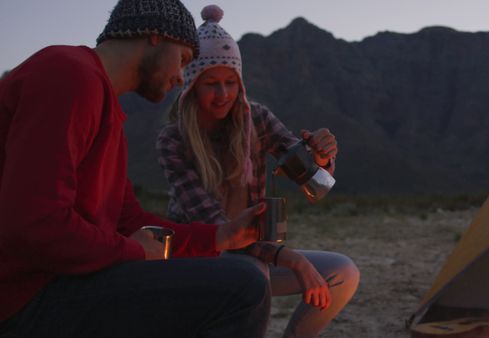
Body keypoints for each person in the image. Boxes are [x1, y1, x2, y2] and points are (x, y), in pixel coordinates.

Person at [0, 1, 272, 337]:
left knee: (237, 271)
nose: (180, 77)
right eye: (184, 60)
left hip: (61, 281)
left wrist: (221, 236)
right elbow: (35, 224)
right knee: (243, 288)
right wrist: (132, 250)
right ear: (156, 36)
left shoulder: (105, 110)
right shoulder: (68, 74)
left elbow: (127, 219)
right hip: (26, 297)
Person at [156, 5, 360, 338]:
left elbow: (307, 173)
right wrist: (289, 258)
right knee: (253, 275)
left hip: (255, 252)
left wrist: (319, 158)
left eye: (230, 83)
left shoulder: (257, 119)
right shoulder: (173, 140)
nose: (223, 95)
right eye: (211, 84)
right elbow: (215, 228)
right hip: (199, 257)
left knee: (342, 273)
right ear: (192, 86)